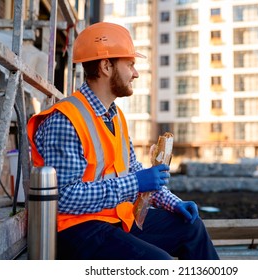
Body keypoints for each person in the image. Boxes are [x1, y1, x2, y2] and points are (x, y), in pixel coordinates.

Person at [27, 22, 219, 260]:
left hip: (113, 218)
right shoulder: (65, 119)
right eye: (130, 65)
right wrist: (136, 183)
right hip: (76, 231)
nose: (135, 73)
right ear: (106, 66)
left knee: (191, 228)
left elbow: (133, 170)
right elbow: (64, 197)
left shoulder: (115, 116)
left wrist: (172, 202)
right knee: (160, 264)